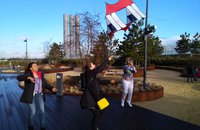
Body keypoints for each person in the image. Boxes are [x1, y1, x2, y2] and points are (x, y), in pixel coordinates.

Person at [17, 62, 57, 130]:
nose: (36, 67)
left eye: (36, 65)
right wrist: (28, 77)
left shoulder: (40, 74)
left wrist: (51, 88)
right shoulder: (28, 74)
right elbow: (19, 77)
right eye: (34, 66)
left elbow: (45, 84)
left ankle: (43, 127)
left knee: (42, 111)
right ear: (31, 68)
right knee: (33, 111)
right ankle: (31, 127)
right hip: (31, 95)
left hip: (39, 94)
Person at [80, 56, 113, 130]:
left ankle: (94, 127)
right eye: (93, 64)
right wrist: (107, 59)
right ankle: (94, 128)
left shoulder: (91, 75)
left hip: (93, 98)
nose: (94, 65)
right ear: (90, 67)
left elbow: (99, 81)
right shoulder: (90, 74)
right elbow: (100, 68)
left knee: (100, 112)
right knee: (97, 114)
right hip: (90, 99)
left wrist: (109, 81)